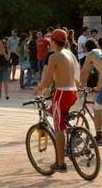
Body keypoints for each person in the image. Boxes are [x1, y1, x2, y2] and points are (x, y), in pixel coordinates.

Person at [35, 29, 81, 173]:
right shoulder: (69, 53)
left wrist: (38, 89)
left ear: (53, 41)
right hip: (73, 91)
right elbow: (77, 74)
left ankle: (61, 163)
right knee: (55, 113)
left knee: (58, 128)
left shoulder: (54, 56)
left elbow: (47, 79)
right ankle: (73, 134)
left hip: (61, 93)